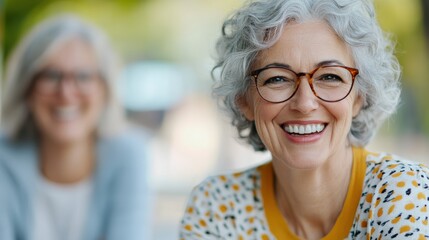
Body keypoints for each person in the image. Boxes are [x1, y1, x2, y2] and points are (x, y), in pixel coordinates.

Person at [179, 0, 429, 239]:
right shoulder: (216, 208)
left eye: (330, 77)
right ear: (243, 100)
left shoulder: (402, 192)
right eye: (277, 78)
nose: (305, 103)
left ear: (359, 97)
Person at [0, 14, 151, 240]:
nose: (66, 93)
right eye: (51, 76)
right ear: (27, 87)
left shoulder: (129, 154)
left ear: (105, 89)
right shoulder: (4, 157)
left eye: (83, 76)